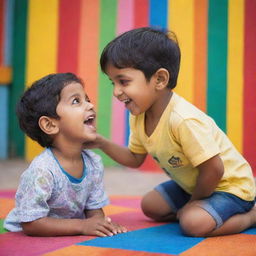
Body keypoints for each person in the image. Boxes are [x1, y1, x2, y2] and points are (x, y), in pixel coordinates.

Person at [89, 27, 256, 237]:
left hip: (230, 187)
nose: (116, 91)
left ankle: (251, 215)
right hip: (195, 184)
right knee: (150, 205)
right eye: (113, 82)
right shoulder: (139, 115)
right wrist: (100, 142)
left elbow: (214, 170)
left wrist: (194, 203)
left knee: (192, 224)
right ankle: (203, 211)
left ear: (159, 79)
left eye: (123, 81)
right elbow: (134, 159)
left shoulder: (183, 120)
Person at [4, 73, 127, 237]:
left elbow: (94, 210)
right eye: (76, 101)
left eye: (87, 99)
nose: (90, 106)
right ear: (49, 124)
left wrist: (101, 225)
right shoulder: (43, 171)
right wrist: (82, 226)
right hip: (30, 236)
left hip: (73, 227)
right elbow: (31, 223)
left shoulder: (93, 163)